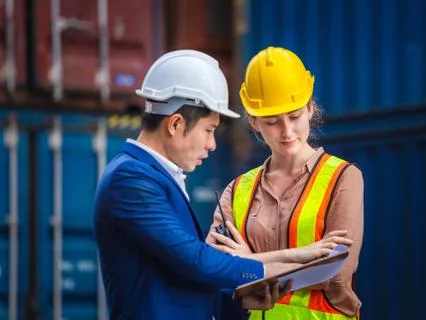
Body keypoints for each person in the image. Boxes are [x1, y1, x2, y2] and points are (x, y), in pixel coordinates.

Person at [93, 49, 347, 320]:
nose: (212, 144)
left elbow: (182, 282)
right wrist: (284, 263)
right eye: (209, 130)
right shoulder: (131, 179)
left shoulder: (157, 177)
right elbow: (195, 261)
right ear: (176, 124)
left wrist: (241, 300)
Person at [206, 47, 364, 320]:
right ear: (254, 123)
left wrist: (249, 262)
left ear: (310, 109)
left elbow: (337, 272)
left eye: (294, 117)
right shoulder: (236, 190)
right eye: (272, 122)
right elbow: (213, 267)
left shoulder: (343, 177)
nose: (287, 131)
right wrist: (307, 256)